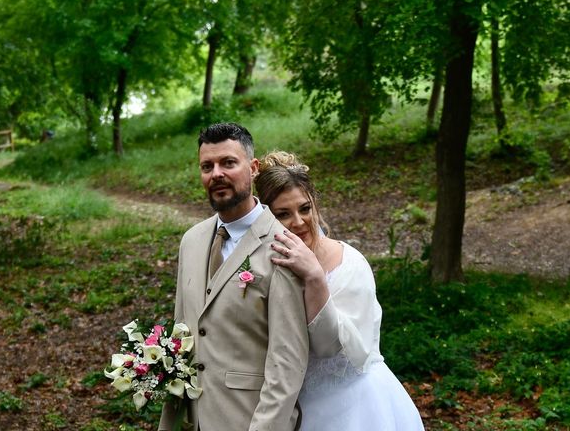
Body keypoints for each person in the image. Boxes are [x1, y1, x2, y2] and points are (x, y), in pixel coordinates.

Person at [254, 151, 425, 431]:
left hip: (356, 409)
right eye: (283, 214)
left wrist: (315, 276)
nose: (298, 222)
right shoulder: (264, 266)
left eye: (305, 208)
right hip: (292, 410)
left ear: (315, 205)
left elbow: (328, 346)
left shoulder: (350, 265)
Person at [159, 125, 309, 431]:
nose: (216, 174)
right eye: (207, 166)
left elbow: (288, 362)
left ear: (253, 169)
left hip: (248, 419)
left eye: (228, 163)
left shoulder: (283, 245)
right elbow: (182, 334)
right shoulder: (191, 240)